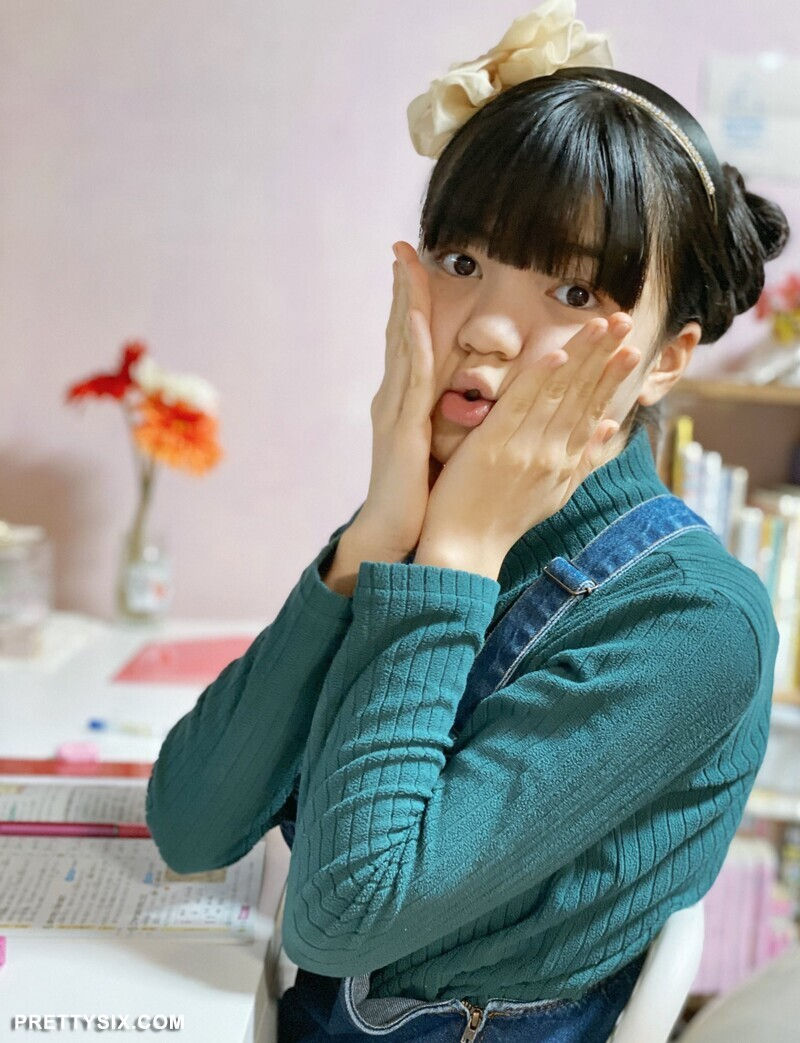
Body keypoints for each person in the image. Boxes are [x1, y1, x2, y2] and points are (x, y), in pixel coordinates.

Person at [145, 3, 790, 1040]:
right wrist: (371, 542)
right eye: (460, 263)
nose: (486, 326)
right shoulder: (427, 512)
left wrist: (451, 555)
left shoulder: (694, 622)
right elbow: (189, 822)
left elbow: (342, 916)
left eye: (571, 288)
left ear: (666, 358)